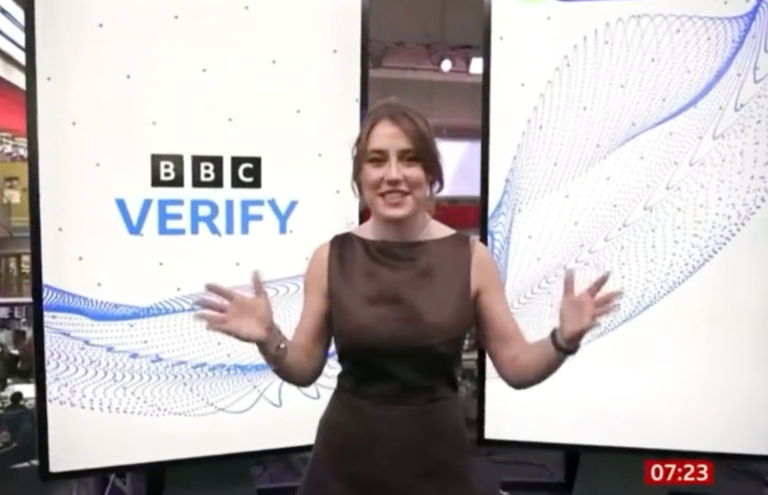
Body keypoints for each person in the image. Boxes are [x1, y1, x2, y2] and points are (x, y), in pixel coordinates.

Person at [196, 99, 622, 495]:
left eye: (410, 159)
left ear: (430, 174)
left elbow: (517, 366)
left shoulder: (471, 259)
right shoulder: (330, 257)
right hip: (344, 465)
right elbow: (304, 367)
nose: (393, 174)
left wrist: (563, 339)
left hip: (437, 464)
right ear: (360, 177)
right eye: (377, 160)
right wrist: (269, 337)